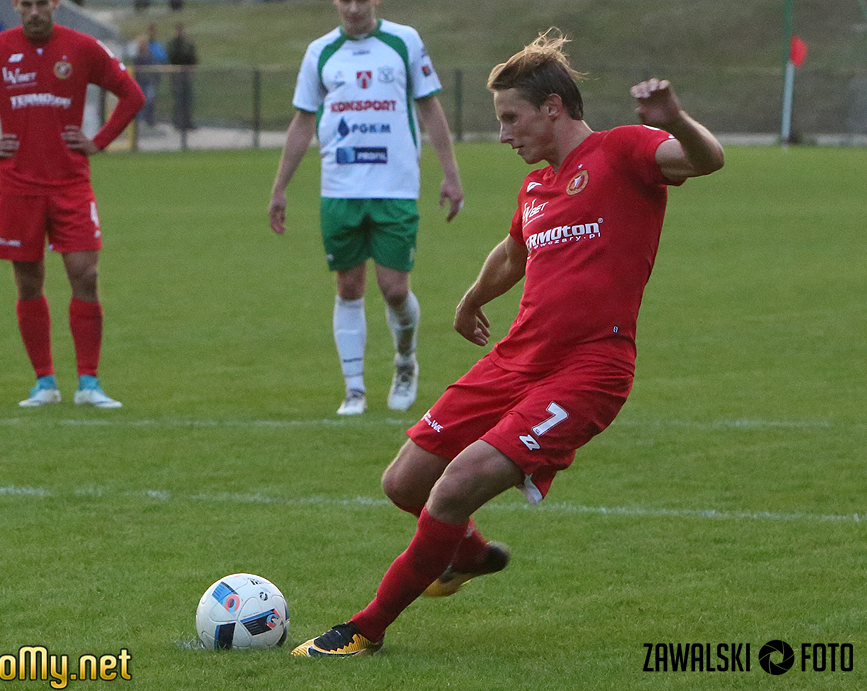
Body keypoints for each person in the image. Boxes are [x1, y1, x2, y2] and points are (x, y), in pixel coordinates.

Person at [291, 29, 724, 657]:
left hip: (588, 370)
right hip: (516, 359)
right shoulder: (536, 189)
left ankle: (365, 629)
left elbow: (707, 160)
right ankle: (467, 554)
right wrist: (471, 299)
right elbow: (515, 251)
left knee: (456, 486)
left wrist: (675, 119)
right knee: (405, 483)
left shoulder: (623, 151)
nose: (503, 134)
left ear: (552, 108)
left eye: (510, 118)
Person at [0, 0, 145, 408]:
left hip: (71, 184)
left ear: (55, 5)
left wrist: (100, 141)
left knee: (86, 276)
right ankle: (44, 382)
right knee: (29, 282)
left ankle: (89, 383)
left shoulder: (83, 47)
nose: (35, 11)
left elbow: (132, 95)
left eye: (42, 3)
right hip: (18, 187)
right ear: (17, 6)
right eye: (27, 3)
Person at [268, 0, 464, 416]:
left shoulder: (404, 41)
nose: (354, 8)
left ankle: (405, 361)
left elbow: (429, 107)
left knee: (394, 290)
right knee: (348, 286)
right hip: (340, 188)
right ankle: (354, 389)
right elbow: (303, 121)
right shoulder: (320, 52)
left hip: (396, 187)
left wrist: (450, 174)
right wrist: (280, 187)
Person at [134, 24, 169, 127]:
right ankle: (140, 121)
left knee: (149, 100)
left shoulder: (151, 53)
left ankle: (149, 120)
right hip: (141, 82)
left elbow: (159, 62)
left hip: (149, 81)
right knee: (142, 100)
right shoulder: (139, 56)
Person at [166, 22, 197, 130]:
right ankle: (178, 122)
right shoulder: (172, 44)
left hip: (186, 75)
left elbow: (193, 58)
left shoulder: (188, 44)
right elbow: (171, 57)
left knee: (188, 100)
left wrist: (191, 70)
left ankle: (188, 122)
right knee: (178, 100)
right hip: (177, 75)